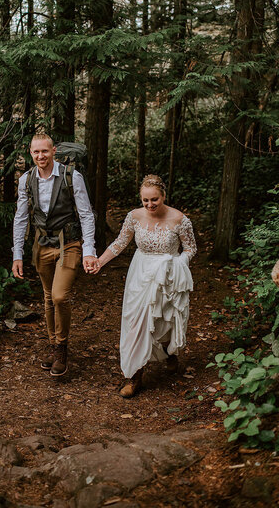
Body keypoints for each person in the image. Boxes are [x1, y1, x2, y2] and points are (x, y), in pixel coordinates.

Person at [92, 174, 197, 398]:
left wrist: (178, 264)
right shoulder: (134, 217)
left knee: (163, 320)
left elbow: (190, 248)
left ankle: (170, 353)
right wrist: (100, 261)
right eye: (145, 200)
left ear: (163, 196)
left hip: (168, 274)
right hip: (140, 272)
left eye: (154, 200)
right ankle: (134, 376)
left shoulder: (179, 219)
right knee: (136, 322)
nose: (150, 205)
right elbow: (120, 243)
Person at [12, 134, 97, 377]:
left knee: (60, 296)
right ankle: (53, 345)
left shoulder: (72, 176)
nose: (41, 156)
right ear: (31, 153)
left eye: (45, 151)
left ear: (54, 151)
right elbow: (20, 218)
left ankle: (62, 347)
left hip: (68, 243)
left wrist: (88, 250)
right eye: (36, 152)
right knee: (48, 297)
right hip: (41, 244)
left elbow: (86, 214)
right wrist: (17, 254)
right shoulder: (26, 180)